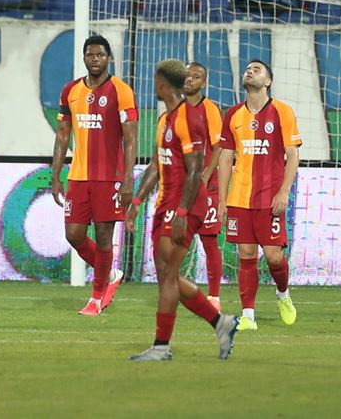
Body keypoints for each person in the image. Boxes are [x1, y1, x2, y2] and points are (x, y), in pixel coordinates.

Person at [125, 58, 238, 361]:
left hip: (184, 205)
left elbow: (196, 168)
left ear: (162, 84)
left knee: (168, 274)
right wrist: (137, 202)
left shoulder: (189, 118)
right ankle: (221, 323)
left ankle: (161, 347)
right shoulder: (165, 119)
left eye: (155, 81)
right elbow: (155, 164)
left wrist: (183, 212)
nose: (154, 85)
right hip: (165, 204)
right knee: (167, 275)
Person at [51, 35, 137, 315]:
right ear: (84, 58)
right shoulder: (70, 91)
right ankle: (109, 274)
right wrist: (55, 175)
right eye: (90, 55)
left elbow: (130, 138)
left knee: (103, 236)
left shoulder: (121, 91)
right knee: (74, 235)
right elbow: (62, 135)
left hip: (109, 178)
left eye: (100, 55)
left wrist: (128, 178)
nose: (95, 59)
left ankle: (96, 298)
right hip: (78, 176)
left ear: (108, 58)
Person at [216, 59, 300, 331]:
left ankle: (283, 294)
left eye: (257, 69)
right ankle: (248, 316)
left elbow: (292, 155)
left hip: (270, 198)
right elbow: (225, 158)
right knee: (246, 254)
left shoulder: (282, 112)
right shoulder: (233, 115)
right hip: (240, 198)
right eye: (247, 69)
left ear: (268, 81)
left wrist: (284, 192)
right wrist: (222, 200)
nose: (249, 71)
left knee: (274, 256)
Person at [183, 62, 224, 311]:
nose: (190, 79)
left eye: (196, 76)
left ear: (204, 83)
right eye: (187, 75)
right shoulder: (173, 110)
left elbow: (219, 147)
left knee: (209, 242)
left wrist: (206, 176)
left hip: (205, 187)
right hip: (181, 187)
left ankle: (214, 296)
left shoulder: (210, 109)